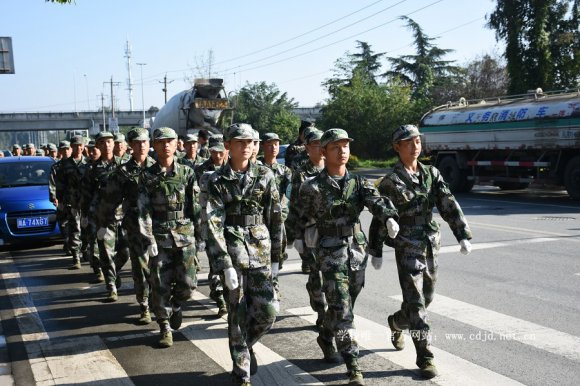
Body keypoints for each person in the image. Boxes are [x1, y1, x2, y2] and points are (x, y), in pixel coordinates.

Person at [368, 124, 473, 379]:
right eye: (408, 143)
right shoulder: (390, 181)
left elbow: (448, 203)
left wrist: (462, 234)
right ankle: (425, 357)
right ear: (397, 147)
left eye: (417, 141)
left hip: (429, 243)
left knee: (426, 299)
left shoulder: (431, 173)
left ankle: (396, 321)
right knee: (416, 304)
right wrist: (376, 249)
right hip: (406, 245)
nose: (415, 146)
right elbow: (380, 215)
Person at [297, 128, 399, 386]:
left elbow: (376, 201)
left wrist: (387, 217)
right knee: (343, 309)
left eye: (345, 146)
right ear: (323, 152)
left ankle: (325, 333)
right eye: (335, 147)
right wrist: (299, 239)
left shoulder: (359, 182)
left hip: (355, 251)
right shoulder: (311, 186)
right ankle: (353, 366)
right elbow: (299, 216)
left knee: (346, 302)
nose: (342, 151)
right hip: (329, 251)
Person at [206, 123, 281, 386]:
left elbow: (275, 216)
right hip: (232, 252)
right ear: (227, 145)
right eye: (240, 142)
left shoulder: (265, 175)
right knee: (236, 314)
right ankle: (242, 372)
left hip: (260, 251)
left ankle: (246, 346)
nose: (246, 146)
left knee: (268, 311)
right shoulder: (215, 180)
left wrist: (276, 259)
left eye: (250, 142)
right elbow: (212, 223)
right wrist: (223, 263)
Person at [138, 127, 200, 348]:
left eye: (170, 141)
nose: (165, 145)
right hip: (159, 236)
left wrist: (200, 237)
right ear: (154, 145)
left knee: (189, 285)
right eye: (161, 141)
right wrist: (148, 240)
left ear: (177, 145)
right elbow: (143, 211)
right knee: (159, 284)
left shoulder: (187, 173)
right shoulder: (146, 177)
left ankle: (176, 306)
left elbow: (196, 207)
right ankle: (164, 326)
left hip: (185, 236)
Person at [101, 127, 157, 324]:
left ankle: (158, 300)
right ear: (130, 146)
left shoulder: (158, 167)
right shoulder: (122, 172)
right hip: (134, 227)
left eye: (144, 142)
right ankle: (144, 306)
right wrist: (106, 224)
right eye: (137, 143)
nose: (142, 146)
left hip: (159, 226)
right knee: (140, 268)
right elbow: (111, 200)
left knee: (158, 268)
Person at [285, 128, 329, 330]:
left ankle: (328, 308)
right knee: (317, 274)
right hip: (311, 231)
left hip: (333, 232)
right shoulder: (301, 174)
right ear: (307, 148)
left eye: (323, 144)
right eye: (315, 145)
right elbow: (295, 206)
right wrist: (295, 236)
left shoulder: (334, 167)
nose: (320, 148)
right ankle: (321, 310)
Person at [81, 131, 129, 302]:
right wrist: (85, 216)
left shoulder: (125, 164)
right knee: (106, 253)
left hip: (124, 218)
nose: (107, 145)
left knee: (125, 252)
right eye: (103, 142)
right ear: (98, 146)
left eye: (109, 141)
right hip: (103, 219)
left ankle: (114, 271)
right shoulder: (93, 170)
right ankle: (111, 288)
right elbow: (86, 194)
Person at [260, 132, 292, 301]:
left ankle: (274, 284)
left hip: (278, 220)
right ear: (263, 146)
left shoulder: (284, 170)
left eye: (276, 144)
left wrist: (281, 213)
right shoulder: (257, 168)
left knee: (277, 253)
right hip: (260, 220)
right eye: (270, 144)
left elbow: (287, 194)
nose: (273, 148)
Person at [60, 135, 88, 269]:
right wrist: (61, 201)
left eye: (80, 145)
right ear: (72, 147)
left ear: (83, 147)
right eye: (75, 146)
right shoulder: (65, 165)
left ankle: (87, 252)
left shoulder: (88, 163)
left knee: (87, 229)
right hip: (72, 203)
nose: (78, 148)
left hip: (87, 202)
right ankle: (76, 257)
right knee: (75, 229)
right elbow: (60, 184)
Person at [80, 139, 103, 282]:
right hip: (92, 212)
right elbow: (84, 193)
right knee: (93, 241)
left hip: (109, 214)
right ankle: (98, 269)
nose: (92, 152)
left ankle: (109, 269)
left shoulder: (109, 166)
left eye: (94, 149)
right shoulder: (86, 169)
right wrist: (84, 213)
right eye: (90, 149)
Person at [49, 140, 72, 257]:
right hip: (62, 199)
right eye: (63, 149)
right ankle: (68, 243)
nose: (66, 151)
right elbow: (52, 183)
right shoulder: (56, 167)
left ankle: (75, 245)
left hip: (74, 200)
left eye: (67, 149)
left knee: (75, 223)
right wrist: (54, 197)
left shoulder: (76, 165)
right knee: (63, 223)